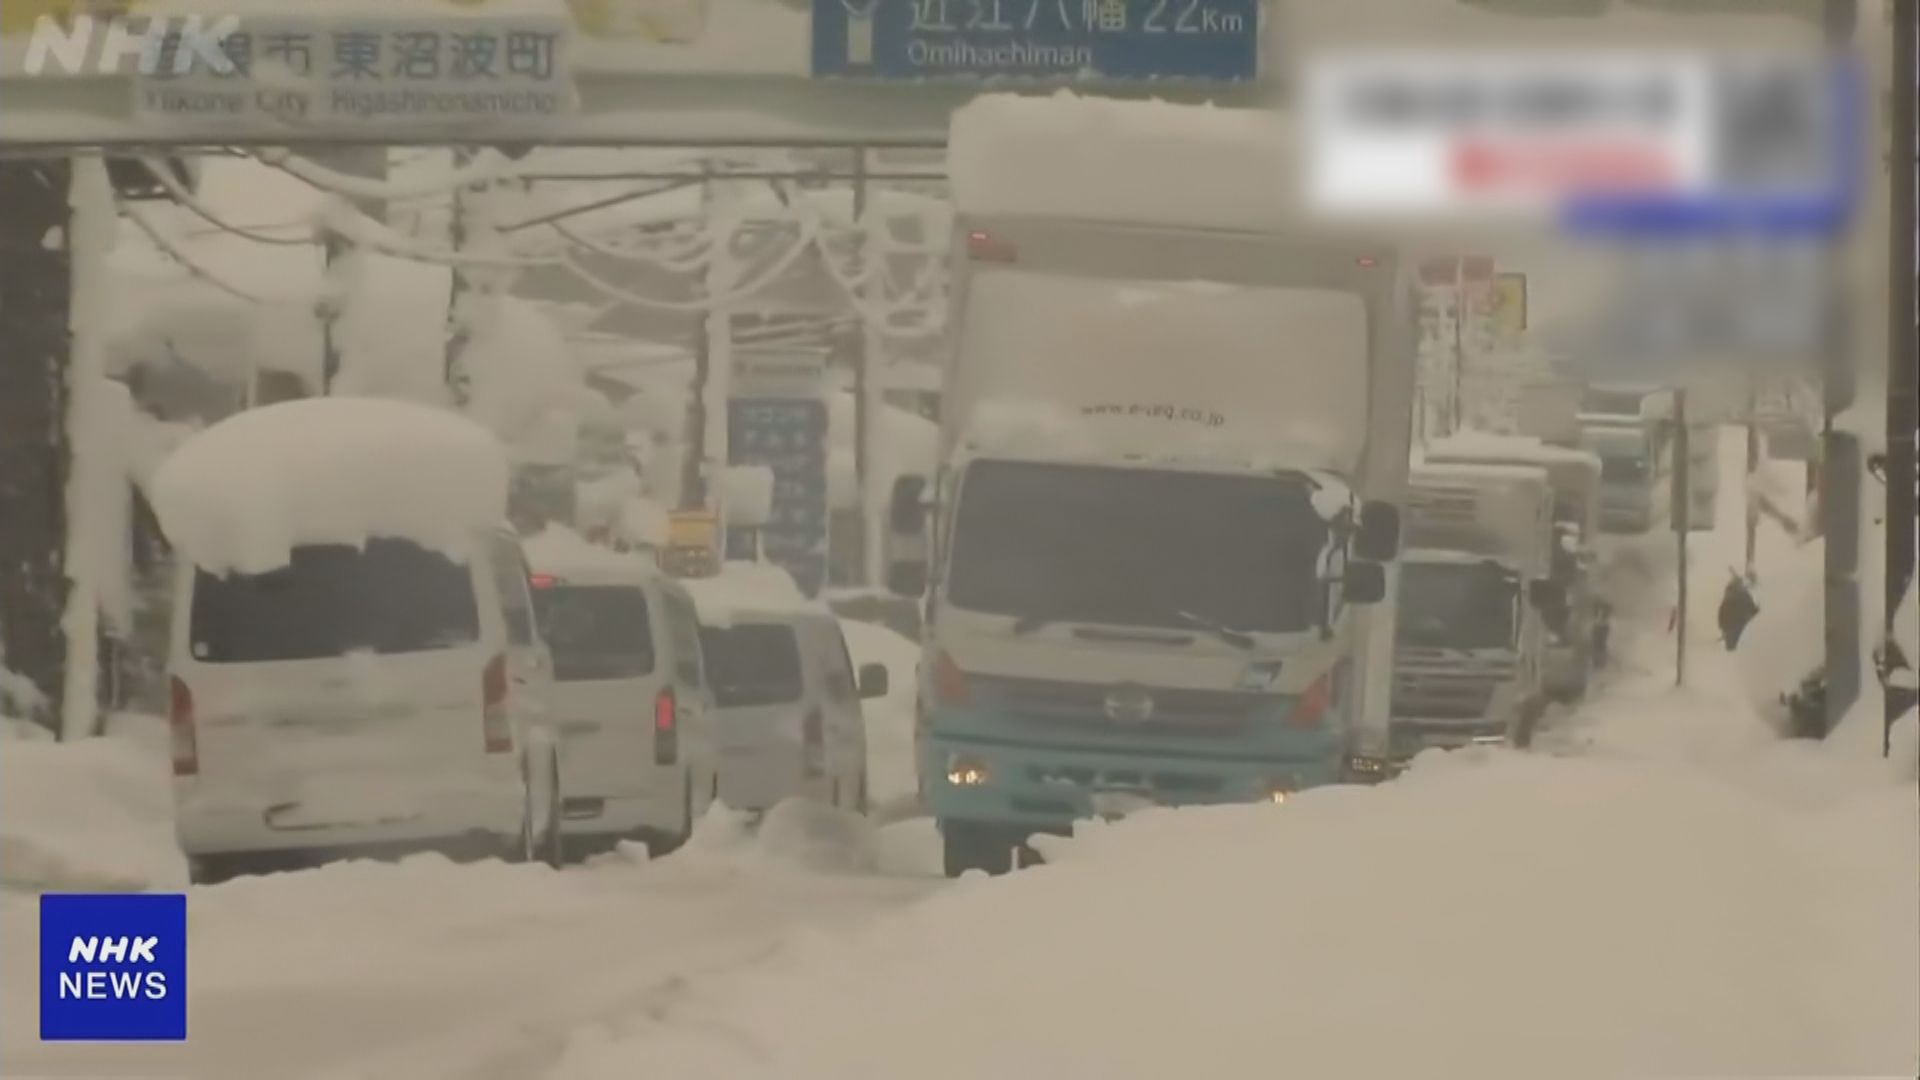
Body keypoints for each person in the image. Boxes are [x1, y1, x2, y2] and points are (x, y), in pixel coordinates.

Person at [1718, 571, 1760, 651]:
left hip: (1734, 624)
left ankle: (1730, 648)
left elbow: (1722, 612)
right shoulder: (1742, 595)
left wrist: (1723, 627)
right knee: (1734, 642)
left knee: (1733, 642)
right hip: (1737, 623)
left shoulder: (1733, 596)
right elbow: (1751, 607)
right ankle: (1731, 649)